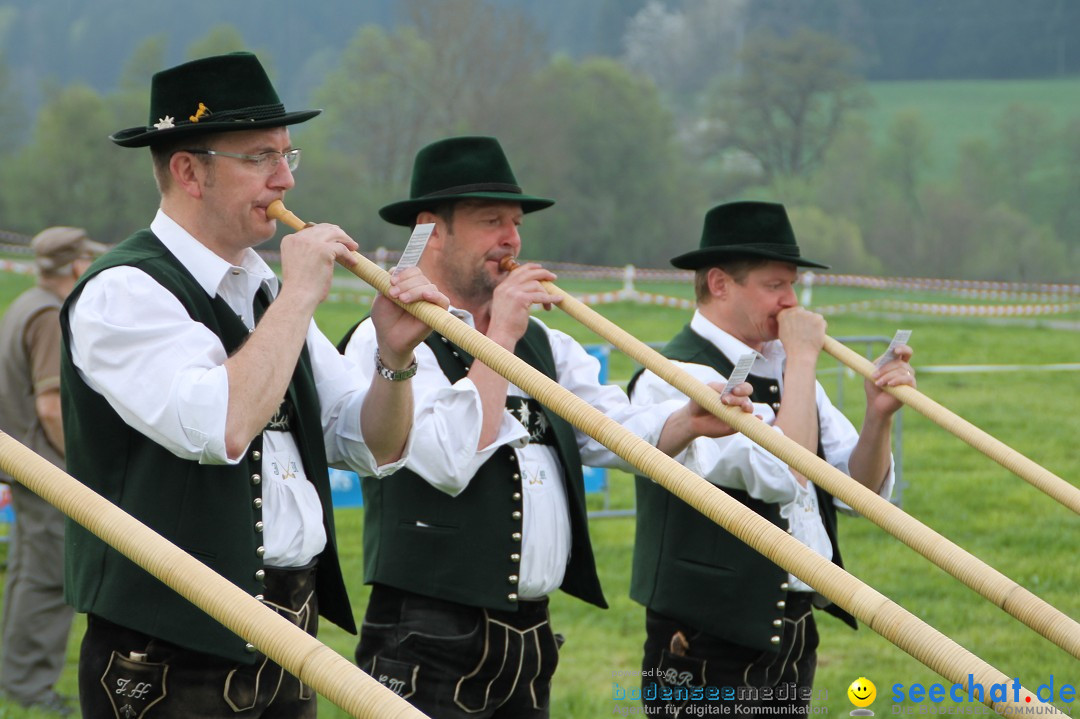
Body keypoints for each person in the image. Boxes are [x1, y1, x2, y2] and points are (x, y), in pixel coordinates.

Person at [60, 52, 446, 718]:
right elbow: (222, 424)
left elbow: (369, 442)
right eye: (262, 156)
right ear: (189, 171)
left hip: (291, 636)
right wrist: (300, 293)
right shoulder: (123, 291)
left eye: (291, 155)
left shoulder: (263, 290)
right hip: (169, 653)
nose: (285, 179)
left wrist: (393, 357)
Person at [340, 136, 752, 719]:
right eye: (491, 222)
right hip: (425, 634)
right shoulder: (387, 338)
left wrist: (686, 420)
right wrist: (499, 335)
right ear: (431, 230)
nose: (512, 240)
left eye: (516, 223)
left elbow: (605, 426)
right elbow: (447, 461)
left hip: (530, 632)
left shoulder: (544, 343)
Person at [628, 201, 916, 716]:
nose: (790, 302)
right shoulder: (670, 372)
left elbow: (859, 492)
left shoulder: (786, 366)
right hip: (704, 639)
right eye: (775, 285)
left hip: (793, 625)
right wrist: (803, 359)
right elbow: (786, 471)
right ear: (719, 284)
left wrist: (879, 417)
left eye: (793, 285)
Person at [0, 227, 107, 715]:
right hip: (46, 468)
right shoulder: (48, 314)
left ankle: (15, 681)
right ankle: (30, 690)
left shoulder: (26, 302)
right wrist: (79, 468)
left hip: (23, 462)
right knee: (46, 583)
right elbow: (49, 406)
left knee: (26, 575)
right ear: (73, 266)